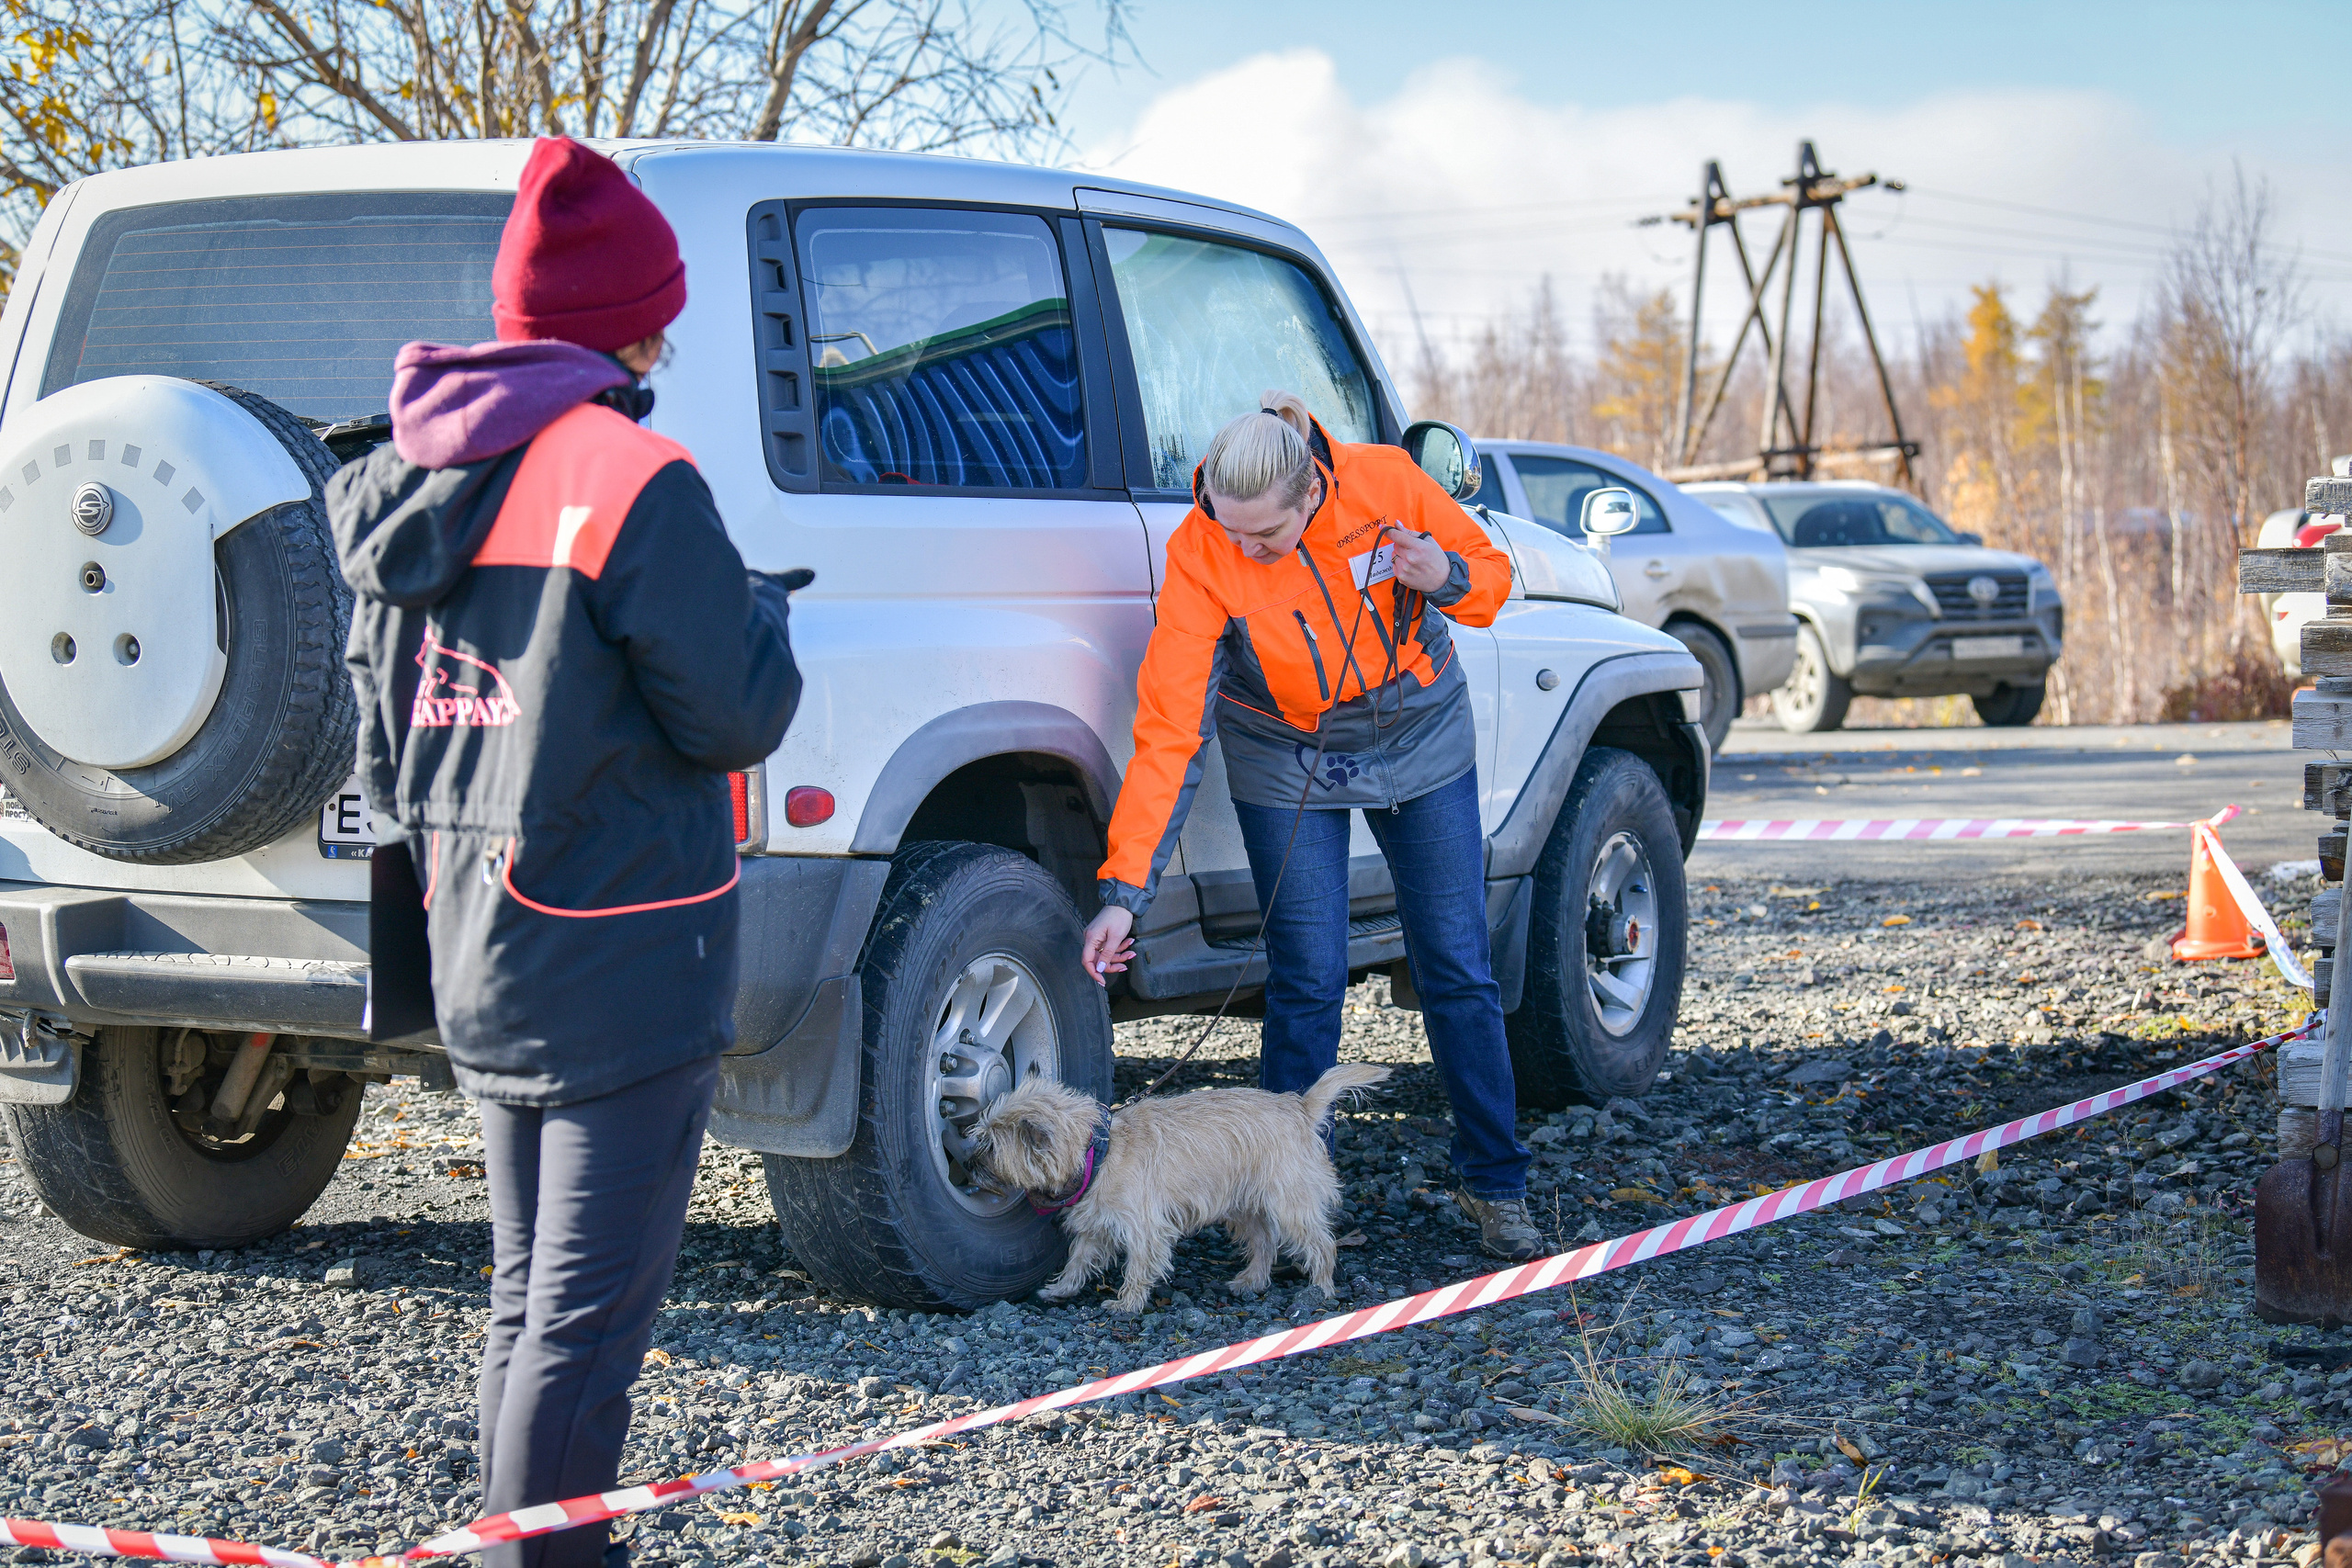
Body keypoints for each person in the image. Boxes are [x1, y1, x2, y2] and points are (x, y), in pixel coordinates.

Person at [329, 137, 802, 1568]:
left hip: (481, 941)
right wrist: (764, 618)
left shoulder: (404, 472)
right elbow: (735, 712)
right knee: (587, 1335)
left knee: (528, 1306)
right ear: (632, 325)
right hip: (628, 950)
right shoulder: (631, 471)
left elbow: (379, 739)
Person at [1078, 390, 1540, 1261]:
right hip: (1284, 747)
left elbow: (1493, 579)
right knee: (1307, 972)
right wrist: (1123, 893)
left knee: (1454, 960)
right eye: (1229, 529)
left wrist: (1444, 575)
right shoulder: (1203, 549)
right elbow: (1170, 728)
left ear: (1313, 495)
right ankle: (1281, 1205)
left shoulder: (1386, 483)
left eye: (1266, 537)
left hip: (1419, 725)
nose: (1244, 549)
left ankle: (1495, 1183)